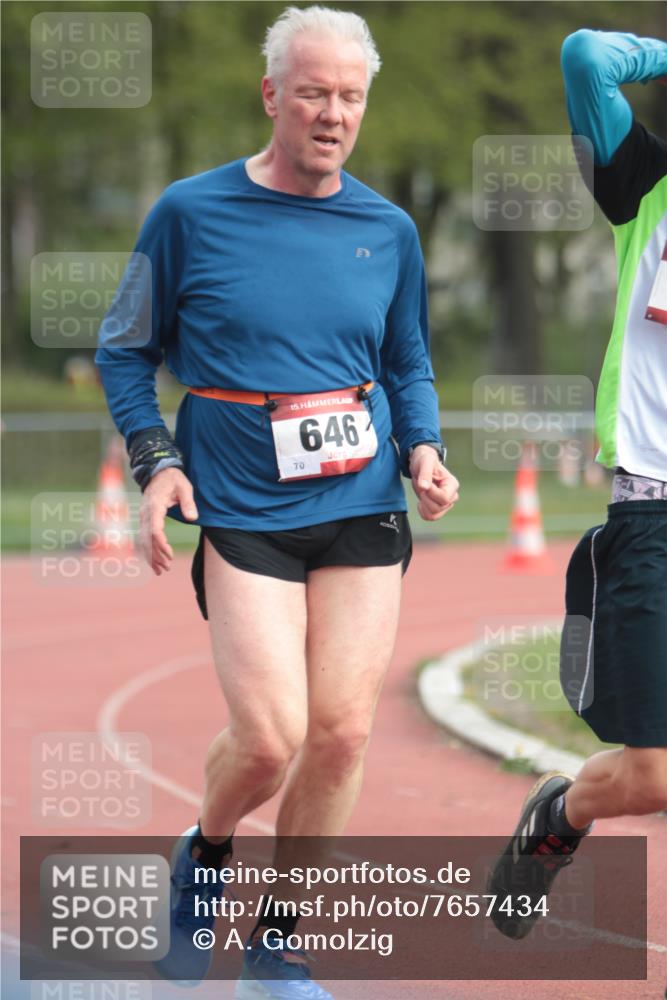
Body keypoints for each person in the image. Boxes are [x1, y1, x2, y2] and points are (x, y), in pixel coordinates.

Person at [96, 5, 459, 995]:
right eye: (313, 93)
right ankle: (205, 853)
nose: (332, 113)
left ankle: (278, 943)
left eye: (349, 97)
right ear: (272, 96)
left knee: (341, 729)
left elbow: (406, 359)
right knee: (269, 737)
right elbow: (122, 349)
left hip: (361, 501)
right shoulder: (188, 212)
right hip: (244, 505)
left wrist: (422, 446)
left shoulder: (386, 229)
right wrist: (154, 459)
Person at [487, 28, 667, 941]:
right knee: (652, 775)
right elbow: (584, 57)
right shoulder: (646, 184)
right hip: (654, 514)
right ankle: (557, 819)